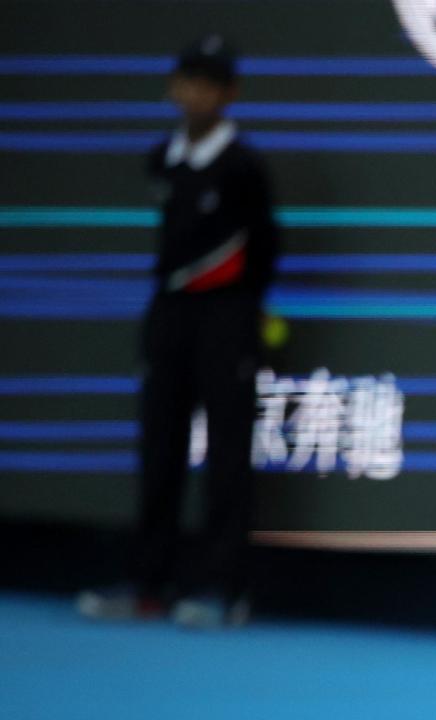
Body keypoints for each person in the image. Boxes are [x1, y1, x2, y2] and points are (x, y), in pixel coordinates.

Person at [77, 35, 279, 629]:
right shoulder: (160, 158)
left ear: (229, 94)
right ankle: (148, 584)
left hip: (228, 317)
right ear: (173, 87)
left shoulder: (245, 166)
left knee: (226, 459)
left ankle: (223, 589)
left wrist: (241, 315)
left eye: (209, 82)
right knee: (159, 449)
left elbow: (264, 250)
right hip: (168, 317)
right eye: (187, 80)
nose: (196, 93)